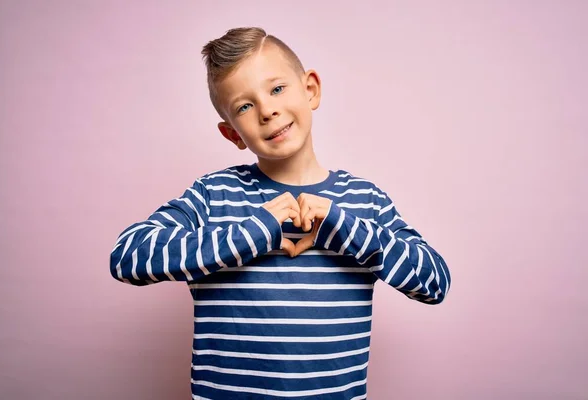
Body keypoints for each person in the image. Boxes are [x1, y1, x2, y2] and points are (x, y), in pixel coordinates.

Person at [110, 26, 451, 400]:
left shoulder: (363, 201)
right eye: (244, 106)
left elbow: (435, 283)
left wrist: (342, 226)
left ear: (310, 89)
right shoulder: (212, 195)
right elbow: (128, 256)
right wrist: (256, 230)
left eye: (276, 89)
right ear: (232, 134)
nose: (268, 110)